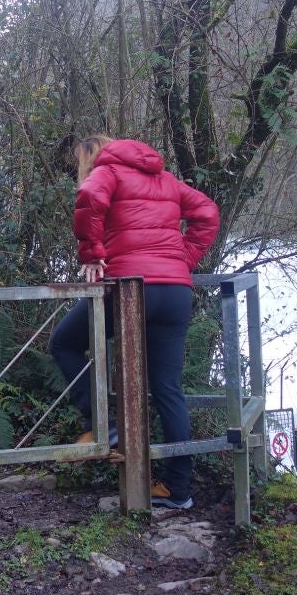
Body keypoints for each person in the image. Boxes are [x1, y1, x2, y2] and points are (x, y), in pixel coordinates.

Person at [48, 134, 220, 510]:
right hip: (175, 292)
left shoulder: (107, 172)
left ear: (90, 157)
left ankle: (104, 426)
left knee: (63, 343)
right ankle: (178, 490)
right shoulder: (165, 179)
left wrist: (91, 254)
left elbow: (89, 196)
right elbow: (208, 212)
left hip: (132, 289)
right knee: (168, 389)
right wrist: (181, 260)